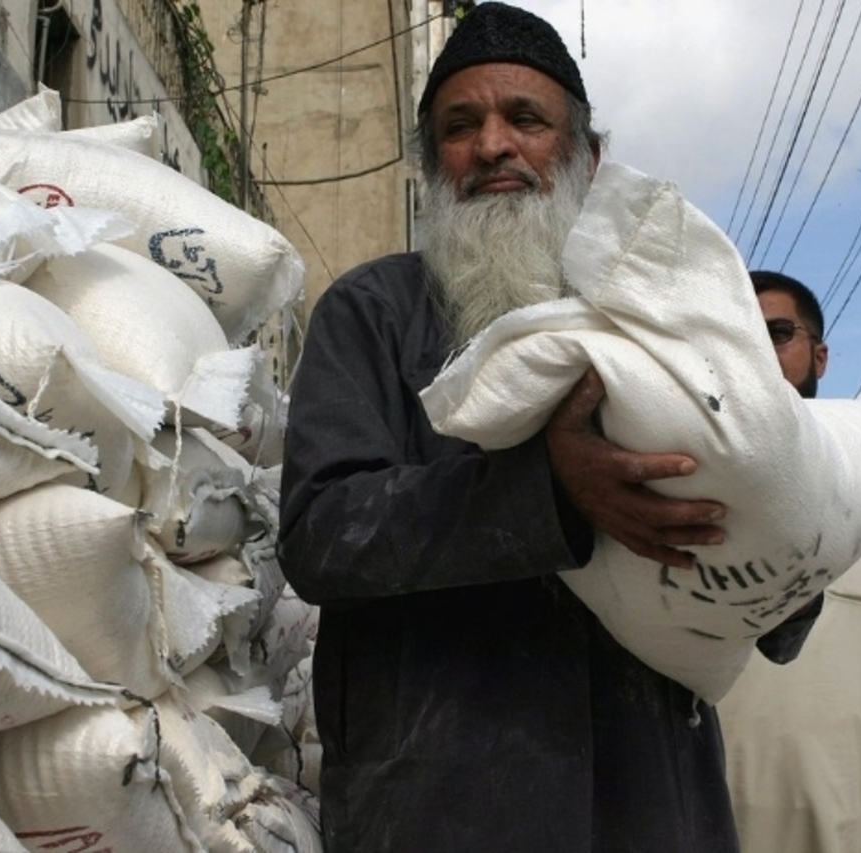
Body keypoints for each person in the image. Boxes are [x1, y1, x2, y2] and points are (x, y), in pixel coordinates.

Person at [277, 4, 820, 850]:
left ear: (587, 156)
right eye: (461, 126)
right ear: (431, 164)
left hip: (655, 809)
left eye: (525, 119)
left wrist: (779, 542)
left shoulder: (662, 324)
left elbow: (772, 535)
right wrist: (547, 493)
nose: (494, 145)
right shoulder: (373, 314)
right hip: (435, 810)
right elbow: (322, 533)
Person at [717, 270, 861, 853]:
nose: (758, 354)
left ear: (821, 355)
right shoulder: (668, 489)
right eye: (738, 339)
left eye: (777, 333)